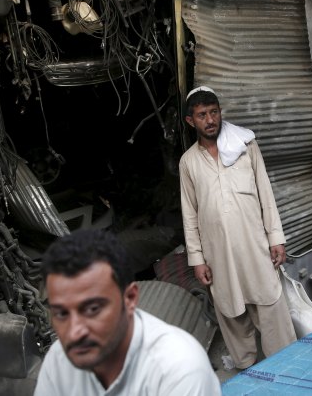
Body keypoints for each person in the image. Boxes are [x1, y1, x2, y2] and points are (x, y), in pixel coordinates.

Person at [179, 86, 297, 370]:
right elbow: (189, 214)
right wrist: (197, 259)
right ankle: (246, 365)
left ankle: (289, 364)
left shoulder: (246, 146)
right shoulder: (188, 162)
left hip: (254, 244)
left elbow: (265, 194)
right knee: (230, 310)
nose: (210, 120)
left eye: (214, 112)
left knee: (269, 302)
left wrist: (275, 238)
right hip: (217, 252)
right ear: (190, 121)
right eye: (202, 115)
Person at [34, 228, 222, 396]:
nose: (75, 331)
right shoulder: (59, 359)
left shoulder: (179, 367)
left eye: (92, 309)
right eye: (61, 313)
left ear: (130, 298)